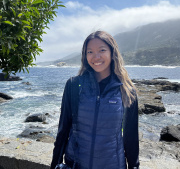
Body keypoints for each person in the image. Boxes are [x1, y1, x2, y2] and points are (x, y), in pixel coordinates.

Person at [50, 31, 139, 169]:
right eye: (90, 52)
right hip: (76, 165)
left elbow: (131, 138)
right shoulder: (74, 85)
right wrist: (54, 164)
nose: (96, 56)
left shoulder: (127, 91)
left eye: (102, 50)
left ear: (112, 52)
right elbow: (63, 131)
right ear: (85, 56)